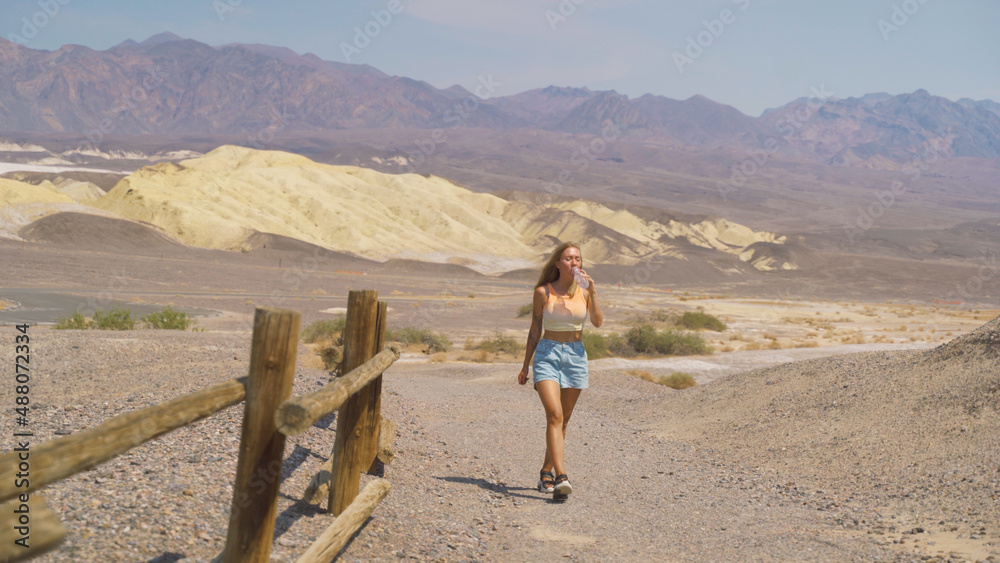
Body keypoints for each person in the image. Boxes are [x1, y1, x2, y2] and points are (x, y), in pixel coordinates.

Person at [517, 242, 603, 500]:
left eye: (577, 258)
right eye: (568, 259)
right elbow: (534, 329)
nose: (574, 263)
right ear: (557, 263)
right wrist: (525, 366)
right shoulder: (543, 292)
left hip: (576, 356)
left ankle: (546, 473)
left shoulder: (585, 292)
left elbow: (597, 322)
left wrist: (594, 292)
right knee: (554, 414)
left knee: (562, 420)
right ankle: (561, 476)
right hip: (547, 355)